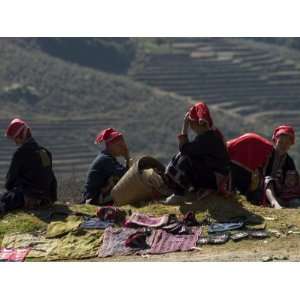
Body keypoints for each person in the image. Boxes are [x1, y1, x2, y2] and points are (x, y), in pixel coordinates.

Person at [163, 101, 230, 204]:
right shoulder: (210, 134)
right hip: (212, 175)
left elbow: (185, 149)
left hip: (214, 180)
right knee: (182, 156)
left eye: (190, 122)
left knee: (185, 159)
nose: (190, 126)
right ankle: (185, 191)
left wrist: (184, 127)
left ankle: (179, 193)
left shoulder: (208, 138)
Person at [227, 125, 297, 208]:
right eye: (280, 142)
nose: (283, 146)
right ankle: (274, 203)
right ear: (275, 141)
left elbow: (290, 183)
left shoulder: (289, 162)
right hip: (261, 188)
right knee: (267, 181)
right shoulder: (266, 153)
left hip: (280, 191)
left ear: (290, 144)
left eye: (287, 143)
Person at [0, 118, 57, 214]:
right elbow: (50, 177)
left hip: (27, 197)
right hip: (46, 198)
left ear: (21, 136)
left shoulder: (20, 153)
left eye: (15, 138)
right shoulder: (45, 152)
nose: (15, 141)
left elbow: (10, 181)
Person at [82, 128, 132, 205]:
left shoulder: (109, 158)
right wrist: (127, 157)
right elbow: (125, 175)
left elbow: (124, 172)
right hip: (94, 199)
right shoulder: (105, 160)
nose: (123, 148)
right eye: (119, 145)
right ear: (110, 145)